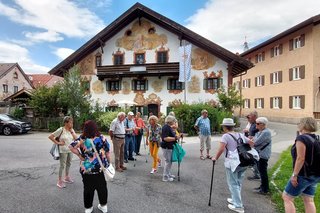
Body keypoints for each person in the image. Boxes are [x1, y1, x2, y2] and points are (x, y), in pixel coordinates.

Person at [69, 120, 110, 213]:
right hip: (100, 168)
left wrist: (80, 155)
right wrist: (109, 163)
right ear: (95, 128)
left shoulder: (82, 139)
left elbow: (71, 147)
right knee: (102, 187)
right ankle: (103, 206)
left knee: (88, 188)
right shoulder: (101, 138)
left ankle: (88, 208)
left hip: (86, 168)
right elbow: (107, 152)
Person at [211, 118, 251, 213]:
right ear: (233, 126)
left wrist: (215, 158)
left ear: (225, 127)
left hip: (232, 163)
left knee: (233, 183)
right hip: (243, 161)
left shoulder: (225, 136)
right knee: (238, 183)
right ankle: (235, 199)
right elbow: (251, 143)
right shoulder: (240, 134)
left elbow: (221, 149)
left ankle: (238, 206)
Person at [282, 117, 320, 213]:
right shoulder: (317, 138)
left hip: (303, 175)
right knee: (309, 200)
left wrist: (294, 175)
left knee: (287, 198)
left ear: (303, 125)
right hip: (315, 175)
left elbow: (300, 158)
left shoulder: (302, 138)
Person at [48, 116, 77, 188]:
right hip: (63, 150)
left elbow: (76, 139)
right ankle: (59, 181)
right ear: (66, 123)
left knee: (69, 164)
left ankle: (66, 177)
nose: (72, 124)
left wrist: (72, 131)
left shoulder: (71, 130)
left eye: (72, 122)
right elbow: (50, 136)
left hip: (70, 150)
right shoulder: (61, 129)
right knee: (62, 165)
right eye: (70, 122)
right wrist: (58, 143)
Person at [252, 117, 272, 195]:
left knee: (263, 171)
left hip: (263, 155)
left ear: (263, 124)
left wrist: (253, 141)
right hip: (259, 154)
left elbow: (256, 142)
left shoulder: (265, 132)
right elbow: (254, 140)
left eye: (257, 123)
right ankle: (262, 186)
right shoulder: (260, 132)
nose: (256, 125)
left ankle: (265, 189)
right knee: (261, 171)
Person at [161, 115, 181, 182]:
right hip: (166, 146)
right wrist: (175, 138)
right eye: (174, 121)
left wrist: (177, 136)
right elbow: (165, 138)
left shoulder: (169, 127)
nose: (174, 122)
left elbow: (171, 135)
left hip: (169, 146)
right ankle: (165, 177)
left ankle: (168, 174)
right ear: (170, 121)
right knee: (168, 162)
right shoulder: (166, 127)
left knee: (169, 161)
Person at [245, 111, 260, 181]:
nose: (249, 117)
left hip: (255, 145)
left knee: (255, 159)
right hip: (252, 143)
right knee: (253, 159)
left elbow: (258, 135)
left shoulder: (257, 124)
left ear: (254, 116)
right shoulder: (253, 124)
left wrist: (251, 137)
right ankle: (256, 173)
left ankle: (257, 174)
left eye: (250, 116)